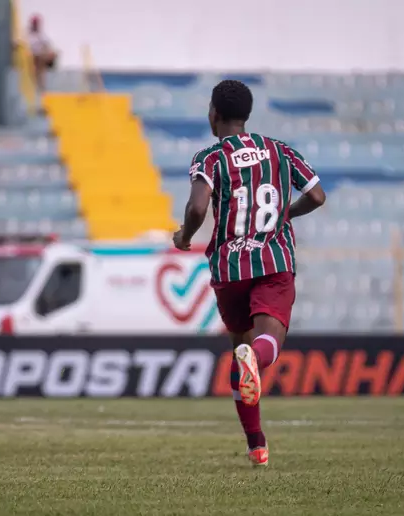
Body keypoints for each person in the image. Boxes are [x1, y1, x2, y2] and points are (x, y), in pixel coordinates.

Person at [172, 80, 327, 467]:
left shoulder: (209, 158)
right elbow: (318, 195)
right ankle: (254, 363)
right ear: (246, 115)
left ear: (213, 114)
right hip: (273, 261)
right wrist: (283, 215)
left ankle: (256, 444)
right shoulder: (279, 150)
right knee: (262, 347)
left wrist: (184, 236)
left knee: (242, 353)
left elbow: (195, 209)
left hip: (229, 268)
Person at [27, 14, 57, 92]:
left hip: (40, 57)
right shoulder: (28, 35)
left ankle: (42, 84)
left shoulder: (41, 35)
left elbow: (47, 44)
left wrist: (50, 52)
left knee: (51, 54)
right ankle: (38, 84)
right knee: (38, 62)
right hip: (32, 57)